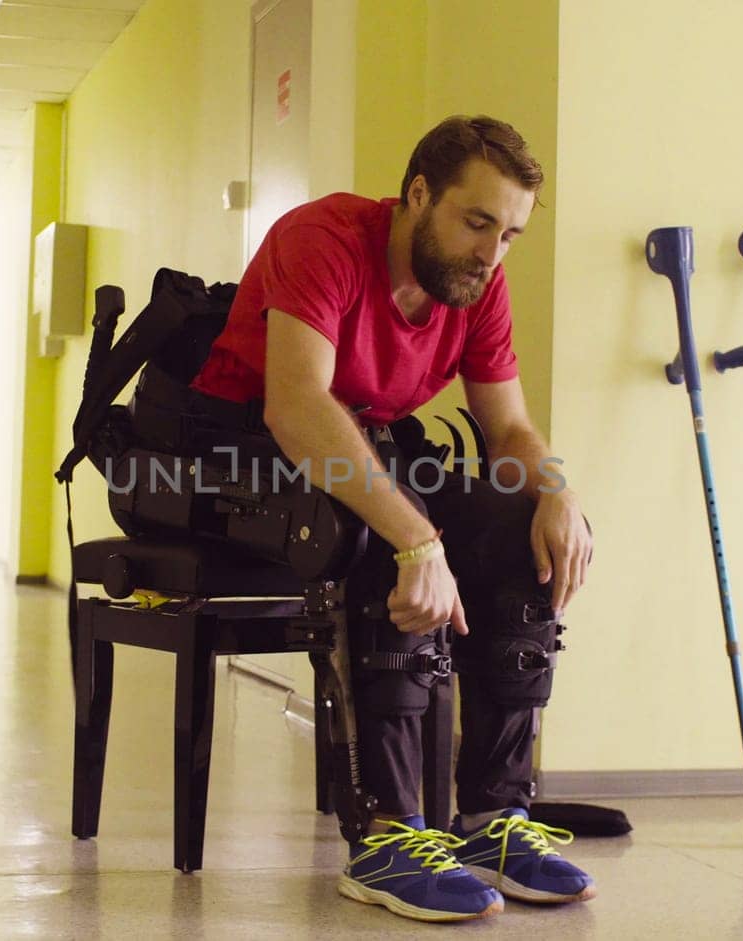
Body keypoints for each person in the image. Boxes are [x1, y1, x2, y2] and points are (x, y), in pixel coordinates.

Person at [189, 115, 594, 923]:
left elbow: (507, 429)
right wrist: (417, 535)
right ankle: (388, 835)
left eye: (509, 233)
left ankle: (491, 818)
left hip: (356, 453)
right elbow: (298, 404)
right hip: (240, 458)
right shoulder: (326, 237)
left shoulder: (478, 284)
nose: (491, 251)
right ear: (418, 195)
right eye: (477, 222)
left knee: (520, 529)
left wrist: (556, 489)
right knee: (377, 533)